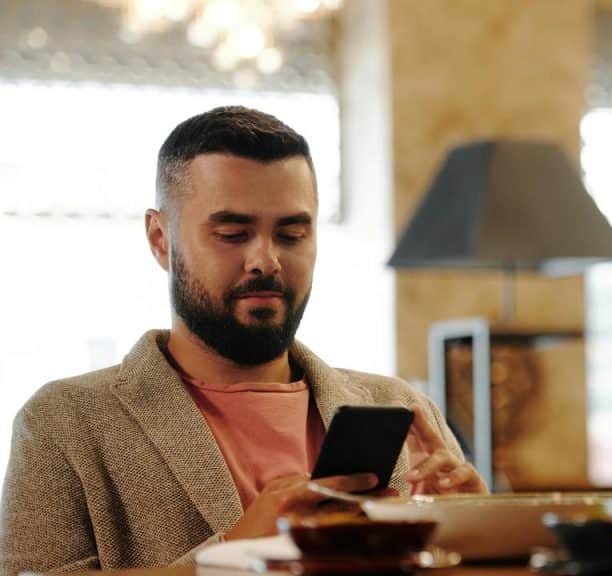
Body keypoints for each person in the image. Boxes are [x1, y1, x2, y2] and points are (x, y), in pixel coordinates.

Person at [0, 106, 486, 575]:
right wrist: (233, 556)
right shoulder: (64, 423)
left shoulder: (399, 406)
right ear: (159, 239)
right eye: (233, 233)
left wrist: (478, 539)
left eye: (292, 234)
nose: (266, 260)